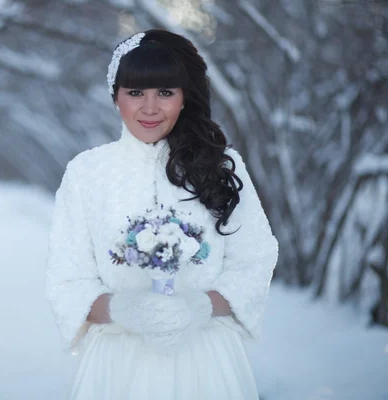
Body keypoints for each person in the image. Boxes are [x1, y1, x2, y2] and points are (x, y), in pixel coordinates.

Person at [45, 29, 279, 399]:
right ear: (115, 97)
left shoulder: (220, 165)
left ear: (185, 98)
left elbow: (254, 258)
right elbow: (68, 279)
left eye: (166, 92)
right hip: (117, 364)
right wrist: (124, 310)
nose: (150, 108)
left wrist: (201, 307)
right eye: (135, 93)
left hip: (205, 361)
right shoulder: (86, 172)